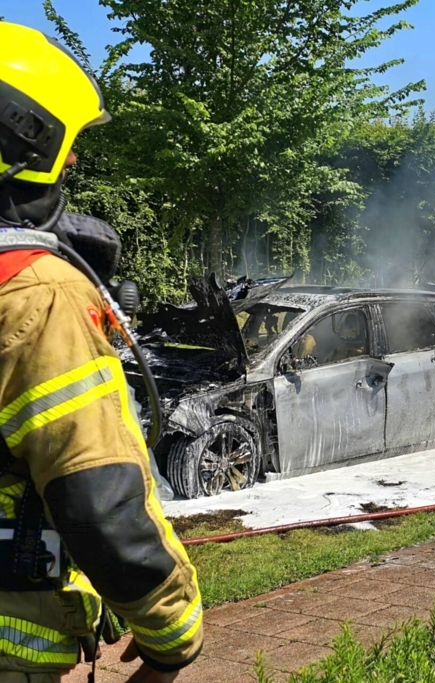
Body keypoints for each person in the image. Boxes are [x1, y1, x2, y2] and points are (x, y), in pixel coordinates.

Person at [0, 22, 203, 681]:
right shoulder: (38, 294)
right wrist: (173, 633)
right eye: (71, 146)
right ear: (24, 137)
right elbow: (96, 499)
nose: (75, 165)